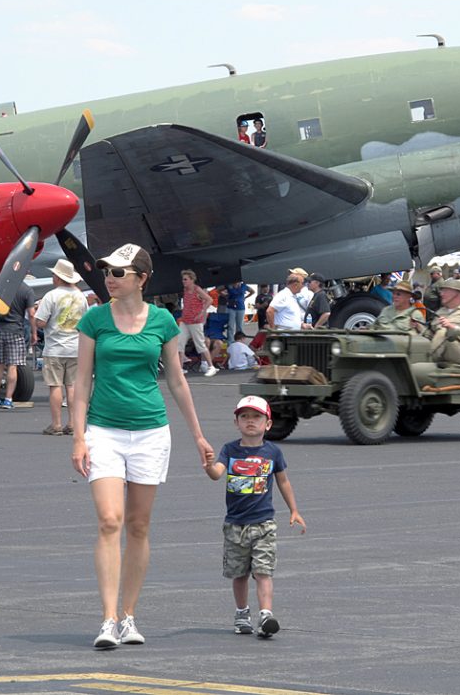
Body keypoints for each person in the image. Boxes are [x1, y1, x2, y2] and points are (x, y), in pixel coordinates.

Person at [71, 243, 216, 649]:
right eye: (107, 272)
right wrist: (78, 436)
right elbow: (81, 383)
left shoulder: (163, 321)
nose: (110, 279)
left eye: (118, 273)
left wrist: (198, 435)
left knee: (138, 525)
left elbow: (176, 380)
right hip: (104, 430)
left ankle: (129, 616)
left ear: (142, 278)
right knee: (109, 520)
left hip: (151, 432)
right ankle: (107, 619)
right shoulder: (94, 319)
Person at [202, 395, 305, 638]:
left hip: (264, 523)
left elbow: (283, 481)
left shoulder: (273, 452)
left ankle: (266, 615)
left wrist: (294, 510)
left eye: (256, 417)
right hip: (235, 524)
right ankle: (242, 613)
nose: (250, 421)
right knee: (239, 574)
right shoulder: (230, 449)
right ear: (236, 422)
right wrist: (208, 465)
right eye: (244, 417)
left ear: (267, 424)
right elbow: (217, 473)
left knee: (263, 571)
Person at [34, 259, 88, 435]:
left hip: (55, 347)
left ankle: (56, 424)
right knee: (71, 386)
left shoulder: (51, 296)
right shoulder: (81, 297)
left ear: (58, 277)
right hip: (75, 346)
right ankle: (73, 423)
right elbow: (86, 321)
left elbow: (40, 322)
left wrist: (36, 313)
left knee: (55, 385)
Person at [0, 281, 36, 409]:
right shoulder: (27, 290)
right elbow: (31, 314)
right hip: (15, 330)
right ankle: (8, 399)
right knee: (12, 366)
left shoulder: (1, 287)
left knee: (0, 365)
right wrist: (34, 332)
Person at [424, 278, 460, 365]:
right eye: (441, 290)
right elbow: (431, 333)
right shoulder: (441, 311)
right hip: (441, 350)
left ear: (457, 293)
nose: (441, 294)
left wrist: (452, 327)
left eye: (445, 291)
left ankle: (427, 359)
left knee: (443, 331)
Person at [177, 270, 218, 377]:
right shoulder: (185, 290)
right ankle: (180, 369)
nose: (183, 281)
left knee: (200, 344)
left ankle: (211, 366)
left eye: (185, 279)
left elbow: (209, 299)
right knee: (179, 344)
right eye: (183, 279)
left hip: (195, 322)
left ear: (191, 280)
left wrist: (202, 312)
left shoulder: (197, 289)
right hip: (185, 321)